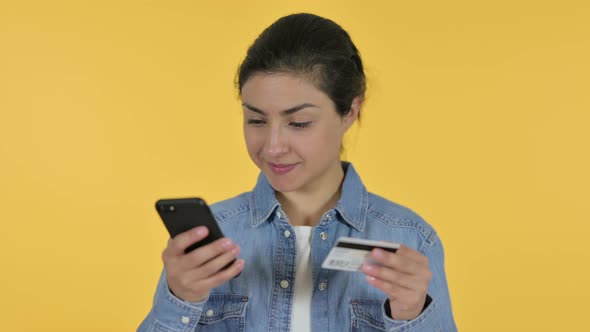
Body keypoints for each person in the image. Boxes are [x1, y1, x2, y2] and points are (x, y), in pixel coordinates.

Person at [138, 13, 457, 332]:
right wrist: (179, 298)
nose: (273, 147)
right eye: (257, 120)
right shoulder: (211, 241)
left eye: (299, 123)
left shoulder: (410, 238)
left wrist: (412, 315)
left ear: (349, 112)